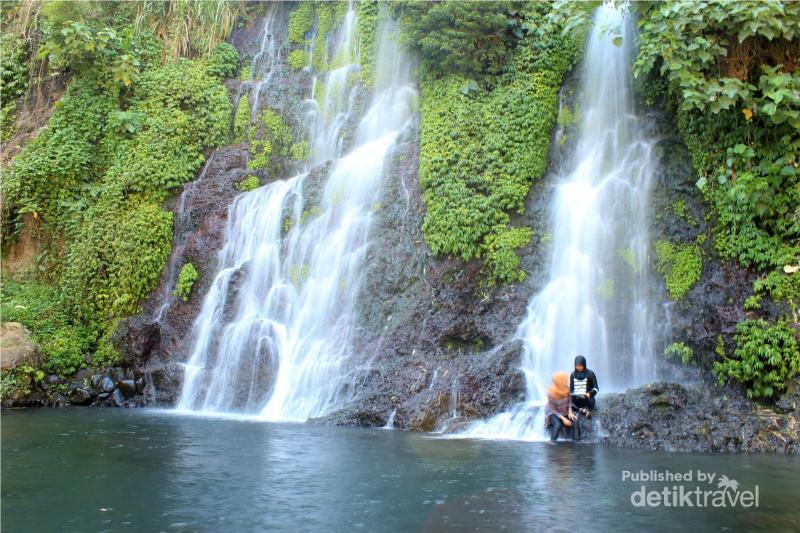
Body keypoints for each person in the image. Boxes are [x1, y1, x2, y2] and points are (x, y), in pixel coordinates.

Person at [544, 371, 577, 441]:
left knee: (575, 421)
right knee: (558, 425)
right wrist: (564, 419)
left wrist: (570, 412)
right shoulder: (551, 393)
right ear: (560, 381)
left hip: (565, 411)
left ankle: (577, 442)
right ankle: (552, 442)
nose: (567, 381)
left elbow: (569, 402)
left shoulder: (567, 389)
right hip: (553, 413)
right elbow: (553, 410)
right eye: (565, 380)